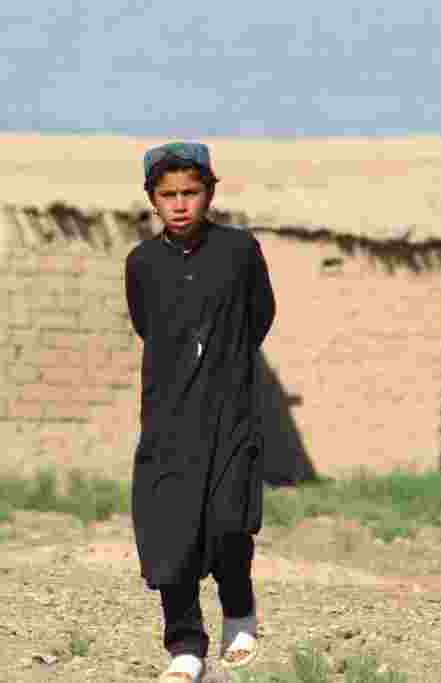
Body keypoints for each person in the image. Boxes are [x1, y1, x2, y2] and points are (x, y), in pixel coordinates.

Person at [124, 142, 276, 683]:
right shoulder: (142, 262)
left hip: (230, 410)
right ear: (153, 199)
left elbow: (260, 315)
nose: (180, 204)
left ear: (209, 194)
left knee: (230, 522)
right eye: (169, 195)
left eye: (191, 192)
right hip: (168, 418)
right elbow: (147, 324)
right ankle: (186, 646)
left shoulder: (239, 251)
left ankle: (239, 612)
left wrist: (223, 362)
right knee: (171, 533)